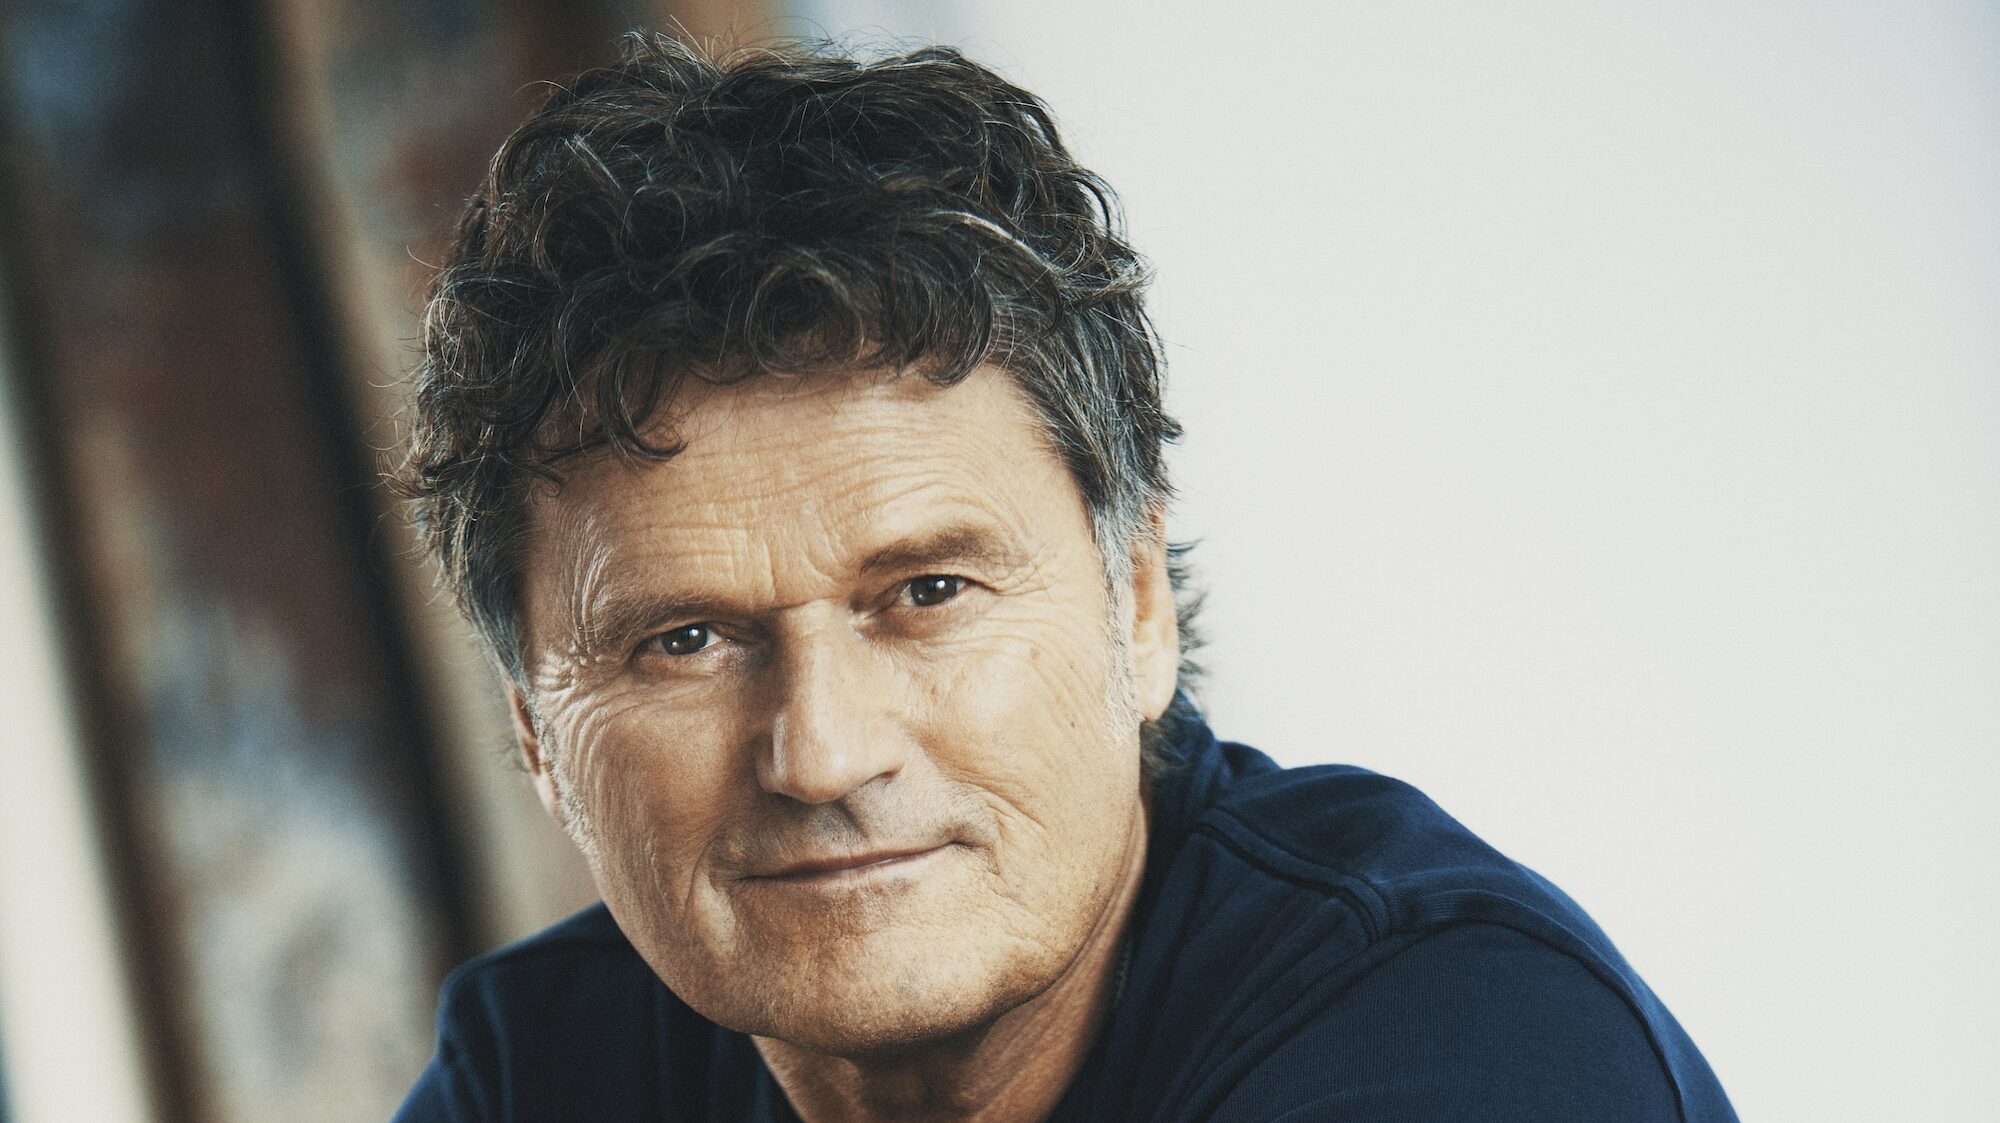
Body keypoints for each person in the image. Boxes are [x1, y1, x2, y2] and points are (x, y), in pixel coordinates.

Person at [390, 32, 1737, 1123]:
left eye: (927, 594)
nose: (823, 756)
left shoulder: (1458, 1037)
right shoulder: (544, 1068)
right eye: (685, 639)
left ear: (1135, 607)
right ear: (538, 734)